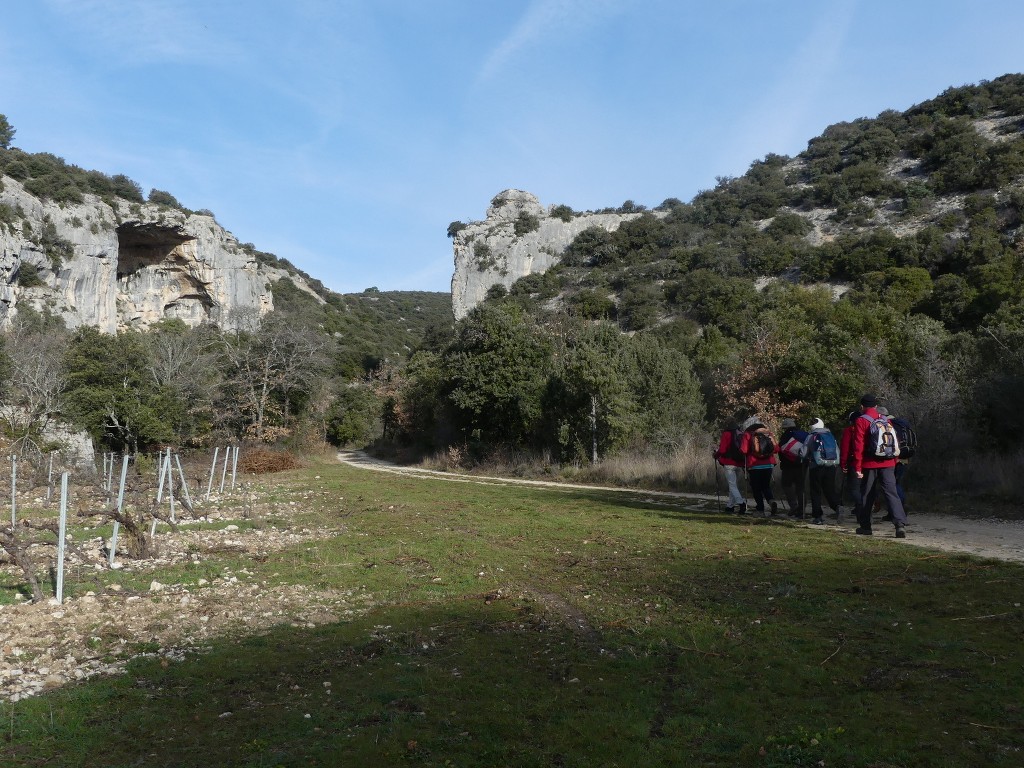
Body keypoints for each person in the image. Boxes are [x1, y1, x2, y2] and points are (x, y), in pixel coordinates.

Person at [850, 394, 908, 538]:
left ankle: (866, 527)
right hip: (888, 462)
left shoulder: (861, 420)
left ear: (862, 407)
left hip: (870, 463)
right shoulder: (885, 419)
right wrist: (894, 460)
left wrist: (858, 467)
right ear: (876, 406)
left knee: (867, 494)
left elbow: (858, 446)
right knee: (891, 493)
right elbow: (893, 441)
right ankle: (899, 525)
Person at [803, 418, 842, 525]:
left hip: (816, 466)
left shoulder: (811, 436)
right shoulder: (830, 436)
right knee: (829, 489)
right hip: (831, 466)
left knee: (815, 491)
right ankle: (837, 506)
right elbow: (837, 451)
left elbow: (803, 453)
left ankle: (818, 516)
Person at [740, 416, 779, 518]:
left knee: (756, 488)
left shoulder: (748, 434)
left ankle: (760, 509)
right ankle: (771, 501)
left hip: (754, 465)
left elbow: (743, 450)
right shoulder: (768, 433)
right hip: (769, 464)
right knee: (766, 486)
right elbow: (776, 449)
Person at [713, 420, 747, 514]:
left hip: (729, 463)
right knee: (734, 485)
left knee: (732, 485)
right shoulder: (741, 434)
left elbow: (723, 450)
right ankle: (730, 506)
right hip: (739, 463)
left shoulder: (726, 434)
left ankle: (741, 503)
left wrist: (716, 454)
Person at [778, 418, 808, 518]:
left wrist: (782, 463)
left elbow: (781, 450)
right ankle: (802, 509)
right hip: (802, 464)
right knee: (801, 487)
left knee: (786, 485)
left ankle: (794, 506)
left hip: (788, 466)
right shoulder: (803, 434)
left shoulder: (786, 435)